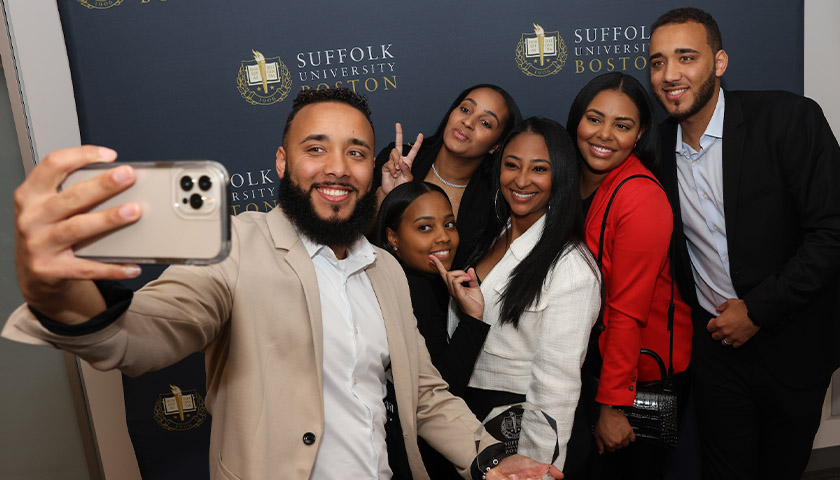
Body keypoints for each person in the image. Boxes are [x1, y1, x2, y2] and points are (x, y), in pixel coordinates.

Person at [3, 88, 562, 480]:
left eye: (356, 152)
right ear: (281, 161)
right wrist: (62, 296)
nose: (337, 167)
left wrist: (489, 458)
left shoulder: (385, 269)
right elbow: (147, 332)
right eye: (315, 148)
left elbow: (421, 392)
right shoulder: (235, 250)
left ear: (375, 168)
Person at [648, 7, 840, 480]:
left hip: (793, 343)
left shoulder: (788, 118)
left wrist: (756, 311)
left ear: (719, 62)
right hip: (715, 353)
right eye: (656, 62)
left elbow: (832, 231)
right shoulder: (651, 150)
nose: (670, 75)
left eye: (686, 57)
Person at [433, 117, 601, 472]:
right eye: (512, 165)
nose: (522, 180)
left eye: (539, 168)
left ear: (561, 177)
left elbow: (556, 386)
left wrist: (536, 466)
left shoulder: (571, 268)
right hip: (464, 414)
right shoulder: (490, 235)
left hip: (517, 423)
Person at [564, 72, 692, 479]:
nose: (604, 135)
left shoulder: (640, 198)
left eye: (622, 126)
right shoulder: (570, 179)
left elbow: (627, 312)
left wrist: (613, 406)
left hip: (637, 378)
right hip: (590, 364)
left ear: (639, 136)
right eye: (594, 119)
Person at [376, 181, 490, 478]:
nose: (443, 238)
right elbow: (438, 392)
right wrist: (473, 319)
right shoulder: (414, 291)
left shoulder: (424, 281)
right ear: (393, 237)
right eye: (424, 228)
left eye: (449, 224)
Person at [375, 84, 523, 268]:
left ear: (497, 145)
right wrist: (387, 195)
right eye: (465, 109)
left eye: (485, 123)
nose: (468, 122)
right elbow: (356, 238)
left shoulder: (496, 203)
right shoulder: (395, 161)